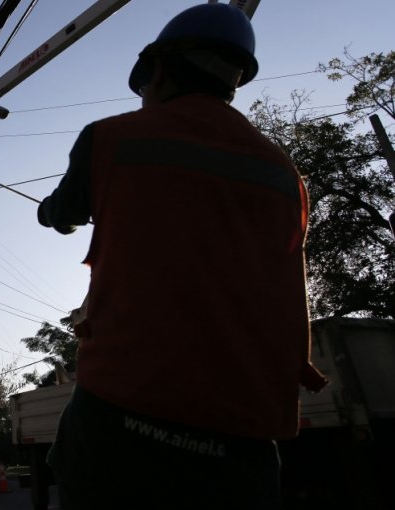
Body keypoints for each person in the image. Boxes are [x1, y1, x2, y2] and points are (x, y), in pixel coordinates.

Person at [36, 4, 326, 508]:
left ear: (160, 68)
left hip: (121, 415)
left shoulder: (110, 138)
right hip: (245, 438)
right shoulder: (285, 174)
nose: (144, 97)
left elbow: (60, 213)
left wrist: (58, 213)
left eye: (144, 82)